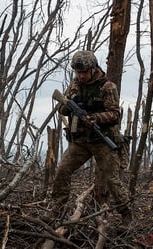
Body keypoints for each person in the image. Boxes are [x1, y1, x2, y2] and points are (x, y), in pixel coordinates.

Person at [50, 50, 132, 227]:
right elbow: (62, 109)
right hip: (81, 142)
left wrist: (94, 118)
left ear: (94, 69)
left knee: (112, 180)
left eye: (84, 72)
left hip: (103, 140)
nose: (81, 76)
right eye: (78, 73)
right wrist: (71, 104)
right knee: (62, 170)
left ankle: (126, 216)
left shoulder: (107, 87)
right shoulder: (75, 85)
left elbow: (115, 114)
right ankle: (56, 210)